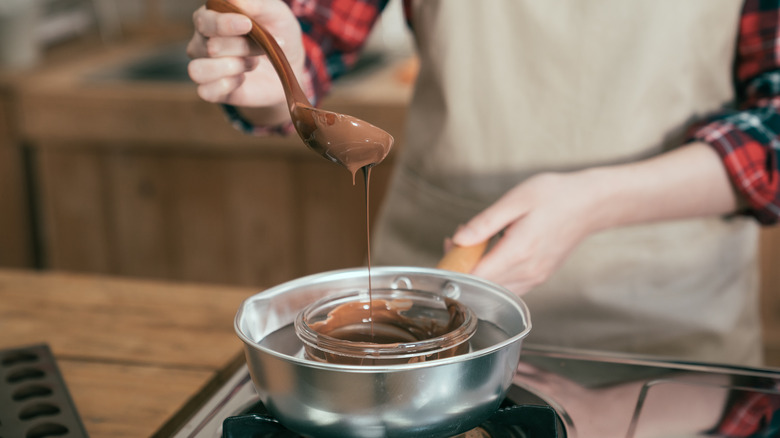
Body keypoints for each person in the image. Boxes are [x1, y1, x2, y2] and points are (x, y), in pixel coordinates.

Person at [187, 0, 780, 366]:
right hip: (429, 320)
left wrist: (595, 202)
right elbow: (309, 39)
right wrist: (269, 74)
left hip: (667, 336)